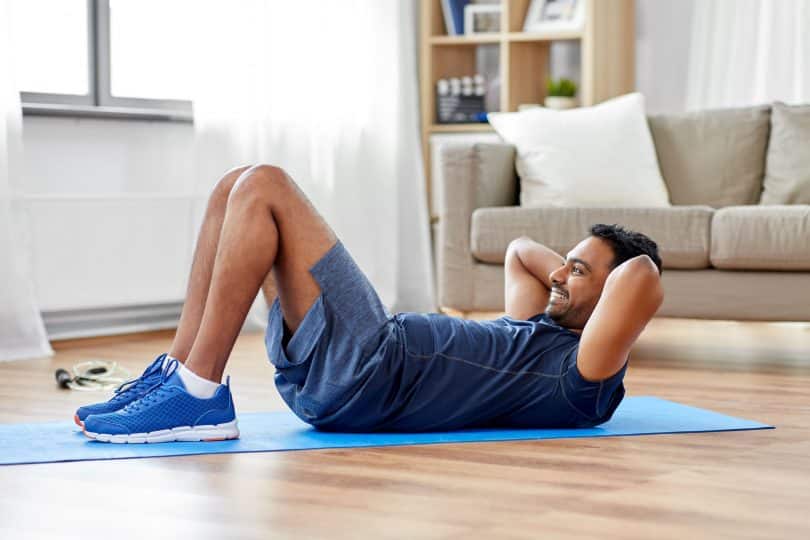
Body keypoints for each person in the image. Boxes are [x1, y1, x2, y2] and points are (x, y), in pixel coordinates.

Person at [75, 165, 664, 443]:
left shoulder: (580, 376)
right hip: (343, 375)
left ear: (613, 300)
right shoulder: (537, 330)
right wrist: (577, 274)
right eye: (566, 261)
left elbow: (642, 276)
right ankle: (178, 374)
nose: (558, 272)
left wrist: (612, 268)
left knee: (266, 185)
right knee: (233, 187)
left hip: (376, 365)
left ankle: (198, 396)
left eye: (579, 271)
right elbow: (518, 251)